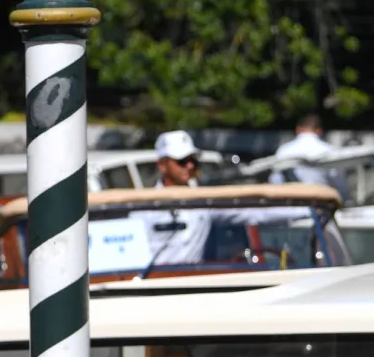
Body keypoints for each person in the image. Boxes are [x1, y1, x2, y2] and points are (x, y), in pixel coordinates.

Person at [136, 130, 312, 267]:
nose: (189, 166)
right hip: (152, 287)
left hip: (192, 287)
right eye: (181, 161)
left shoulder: (204, 201)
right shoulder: (143, 207)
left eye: (193, 160)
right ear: (162, 165)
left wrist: (307, 209)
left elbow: (254, 212)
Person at [269, 114, 348, 200]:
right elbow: (339, 182)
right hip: (320, 202)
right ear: (319, 131)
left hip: (290, 201)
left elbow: (275, 180)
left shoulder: (283, 150)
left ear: (298, 129)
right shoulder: (329, 150)